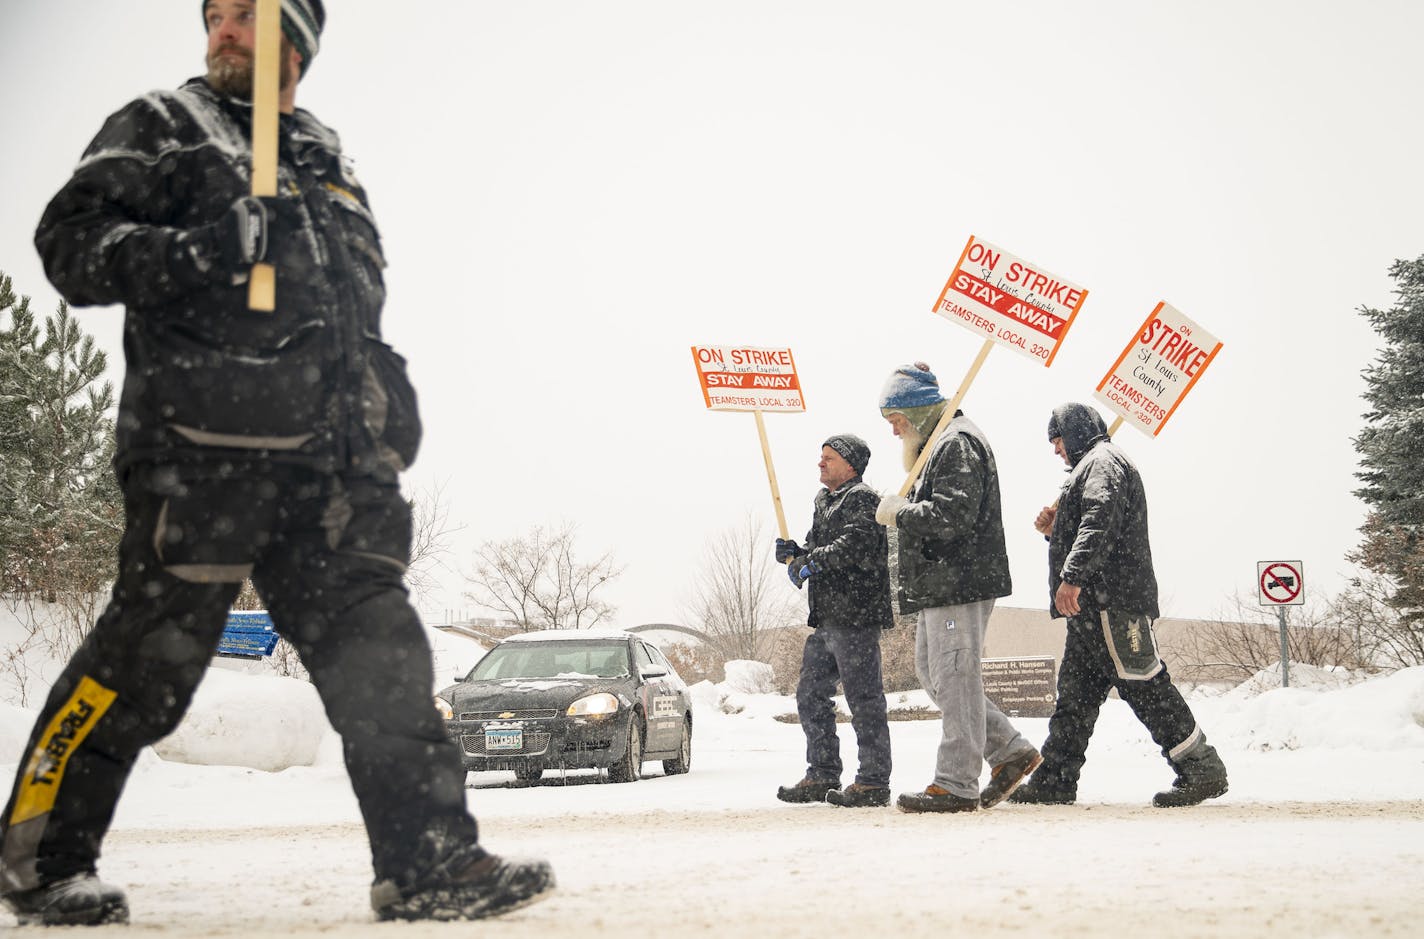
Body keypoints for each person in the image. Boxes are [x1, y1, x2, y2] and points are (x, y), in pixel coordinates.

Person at [0, 1, 554, 926]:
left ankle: (427, 861)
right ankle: (40, 857)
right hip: (202, 455)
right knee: (146, 665)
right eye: (215, 15)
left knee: (384, 659)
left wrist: (385, 394)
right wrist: (200, 251)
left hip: (333, 476)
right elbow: (69, 246)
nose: (224, 29)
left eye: (247, 16)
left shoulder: (325, 158)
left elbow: (347, 307)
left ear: (296, 41)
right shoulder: (165, 128)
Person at [1010, 402, 1228, 808]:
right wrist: (1055, 532)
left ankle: (1201, 767)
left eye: (1057, 440)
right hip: (1094, 607)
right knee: (1074, 696)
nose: (1056, 449)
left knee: (1145, 684)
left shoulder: (1102, 462)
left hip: (1113, 602)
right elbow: (1092, 525)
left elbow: (1100, 521)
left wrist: (1071, 577)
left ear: (1073, 433)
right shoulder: (1092, 466)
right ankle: (1055, 780)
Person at [873, 364, 1041, 814]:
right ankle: (1010, 751)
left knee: (955, 676)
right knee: (936, 675)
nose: (895, 434)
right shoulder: (939, 445)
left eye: (897, 423)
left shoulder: (957, 444)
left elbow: (952, 517)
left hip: (959, 580)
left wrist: (901, 514)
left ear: (918, 412)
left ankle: (956, 782)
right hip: (941, 583)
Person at [774, 435, 894, 808]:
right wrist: (796, 553)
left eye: (828, 458)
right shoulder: (824, 501)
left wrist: (813, 562)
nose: (820, 464)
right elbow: (818, 546)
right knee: (810, 694)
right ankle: (822, 771)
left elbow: (853, 544)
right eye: (820, 458)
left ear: (851, 465)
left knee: (864, 698)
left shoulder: (863, 500)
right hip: (826, 617)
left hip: (855, 615)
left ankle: (873, 781)